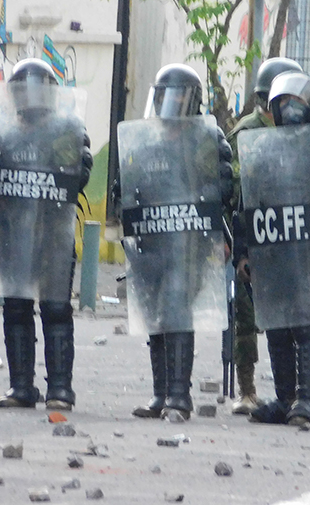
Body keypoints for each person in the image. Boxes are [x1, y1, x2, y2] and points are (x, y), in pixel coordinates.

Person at [235, 71, 310, 428]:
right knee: (276, 327)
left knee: (304, 328)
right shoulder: (262, 149)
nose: (290, 111)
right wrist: (243, 252)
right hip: (273, 254)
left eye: (297, 105)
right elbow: (248, 204)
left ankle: (306, 400)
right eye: (284, 104)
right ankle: (285, 398)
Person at [117, 63, 233, 421]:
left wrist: (198, 200)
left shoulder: (207, 139)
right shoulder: (145, 139)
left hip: (187, 244)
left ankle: (179, 396)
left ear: (193, 99)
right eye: (167, 94)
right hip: (151, 241)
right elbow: (125, 185)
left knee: (177, 310)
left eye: (180, 95)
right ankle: (160, 394)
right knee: (155, 315)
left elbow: (224, 185)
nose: (173, 101)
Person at [0, 58, 92, 410]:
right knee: (15, 308)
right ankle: (21, 386)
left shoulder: (68, 129)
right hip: (12, 234)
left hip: (53, 234)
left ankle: (59, 388)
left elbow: (79, 174)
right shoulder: (1, 134)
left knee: (56, 310)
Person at [225, 57, 302, 414]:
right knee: (246, 316)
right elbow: (239, 197)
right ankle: (247, 389)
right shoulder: (247, 133)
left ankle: (298, 391)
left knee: (297, 318)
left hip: (291, 240)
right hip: (254, 239)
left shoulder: (301, 131)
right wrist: (241, 251)